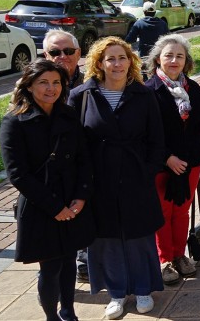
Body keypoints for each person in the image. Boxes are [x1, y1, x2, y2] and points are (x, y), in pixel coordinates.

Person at [69, 37, 165, 319]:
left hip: (136, 174)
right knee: (106, 238)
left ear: (130, 62)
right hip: (99, 178)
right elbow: (75, 143)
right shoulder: (82, 96)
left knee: (139, 235)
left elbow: (156, 140)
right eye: (110, 59)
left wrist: (148, 170)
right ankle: (117, 293)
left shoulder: (143, 94)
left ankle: (144, 288)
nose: (117, 64)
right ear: (99, 63)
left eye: (122, 58)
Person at [0, 60, 94, 321]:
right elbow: (18, 174)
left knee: (68, 263)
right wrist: (56, 208)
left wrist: (81, 196)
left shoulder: (68, 114)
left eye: (56, 82)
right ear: (29, 86)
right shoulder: (15, 122)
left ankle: (69, 312)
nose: (50, 88)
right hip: (42, 206)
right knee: (51, 266)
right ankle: (52, 317)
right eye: (43, 82)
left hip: (72, 201)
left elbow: (83, 158)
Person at [144, 34, 200, 285]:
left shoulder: (193, 88)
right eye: (169, 55)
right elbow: (146, 133)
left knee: (182, 211)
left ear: (186, 61)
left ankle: (180, 255)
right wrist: (167, 158)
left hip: (190, 163)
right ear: (158, 59)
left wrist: (192, 161)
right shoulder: (148, 91)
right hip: (162, 166)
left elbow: (198, 128)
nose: (174, 60)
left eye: (179, 56)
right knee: (163, 212)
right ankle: (164, 260)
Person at [43, 29, 89, 282]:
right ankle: (51, 279)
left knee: (82, 213)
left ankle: (83, 262)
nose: (62, 56)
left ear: (78, 53)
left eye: (68, 51)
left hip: (82, 162)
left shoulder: (91, 80)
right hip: (49, 169)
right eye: (55, 52)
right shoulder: (34, 84)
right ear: (45, 54)